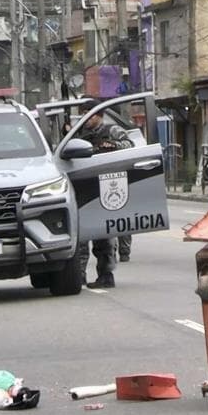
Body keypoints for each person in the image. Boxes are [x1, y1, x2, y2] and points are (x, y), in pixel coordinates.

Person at [77, 112, 134, 288]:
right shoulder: (79, 134)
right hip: (85, 188)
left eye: (87, 115)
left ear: (98, 115)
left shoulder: (112, 130)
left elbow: (130, 146)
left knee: (104, 236)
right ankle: (79, 276)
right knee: (81, 238)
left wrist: (113, 145)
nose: (84, 119)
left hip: (106, 187)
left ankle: (106, 275)